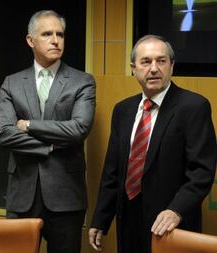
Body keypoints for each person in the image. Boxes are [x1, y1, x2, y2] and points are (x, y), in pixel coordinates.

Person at [89, 35, 217, 253]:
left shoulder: (194, 107)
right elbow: (113, 171)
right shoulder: (123, 110)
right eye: (146, 62)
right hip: (128, 220)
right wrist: (101, 218)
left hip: (171, 224)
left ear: (172, 65)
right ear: (134, 68)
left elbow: (202, 171)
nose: (154, 68)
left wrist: (176, 211)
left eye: (161, 61)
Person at [0, 10, 96, 253]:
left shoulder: (82, 81)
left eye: (60, 34)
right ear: (31, 40)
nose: (55, 40)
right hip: (22, 194)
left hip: (66, 196)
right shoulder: (12, 82)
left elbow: (78, 129)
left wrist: (29, 125)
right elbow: (4, 133)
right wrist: (48, 146)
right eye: (47, 34)